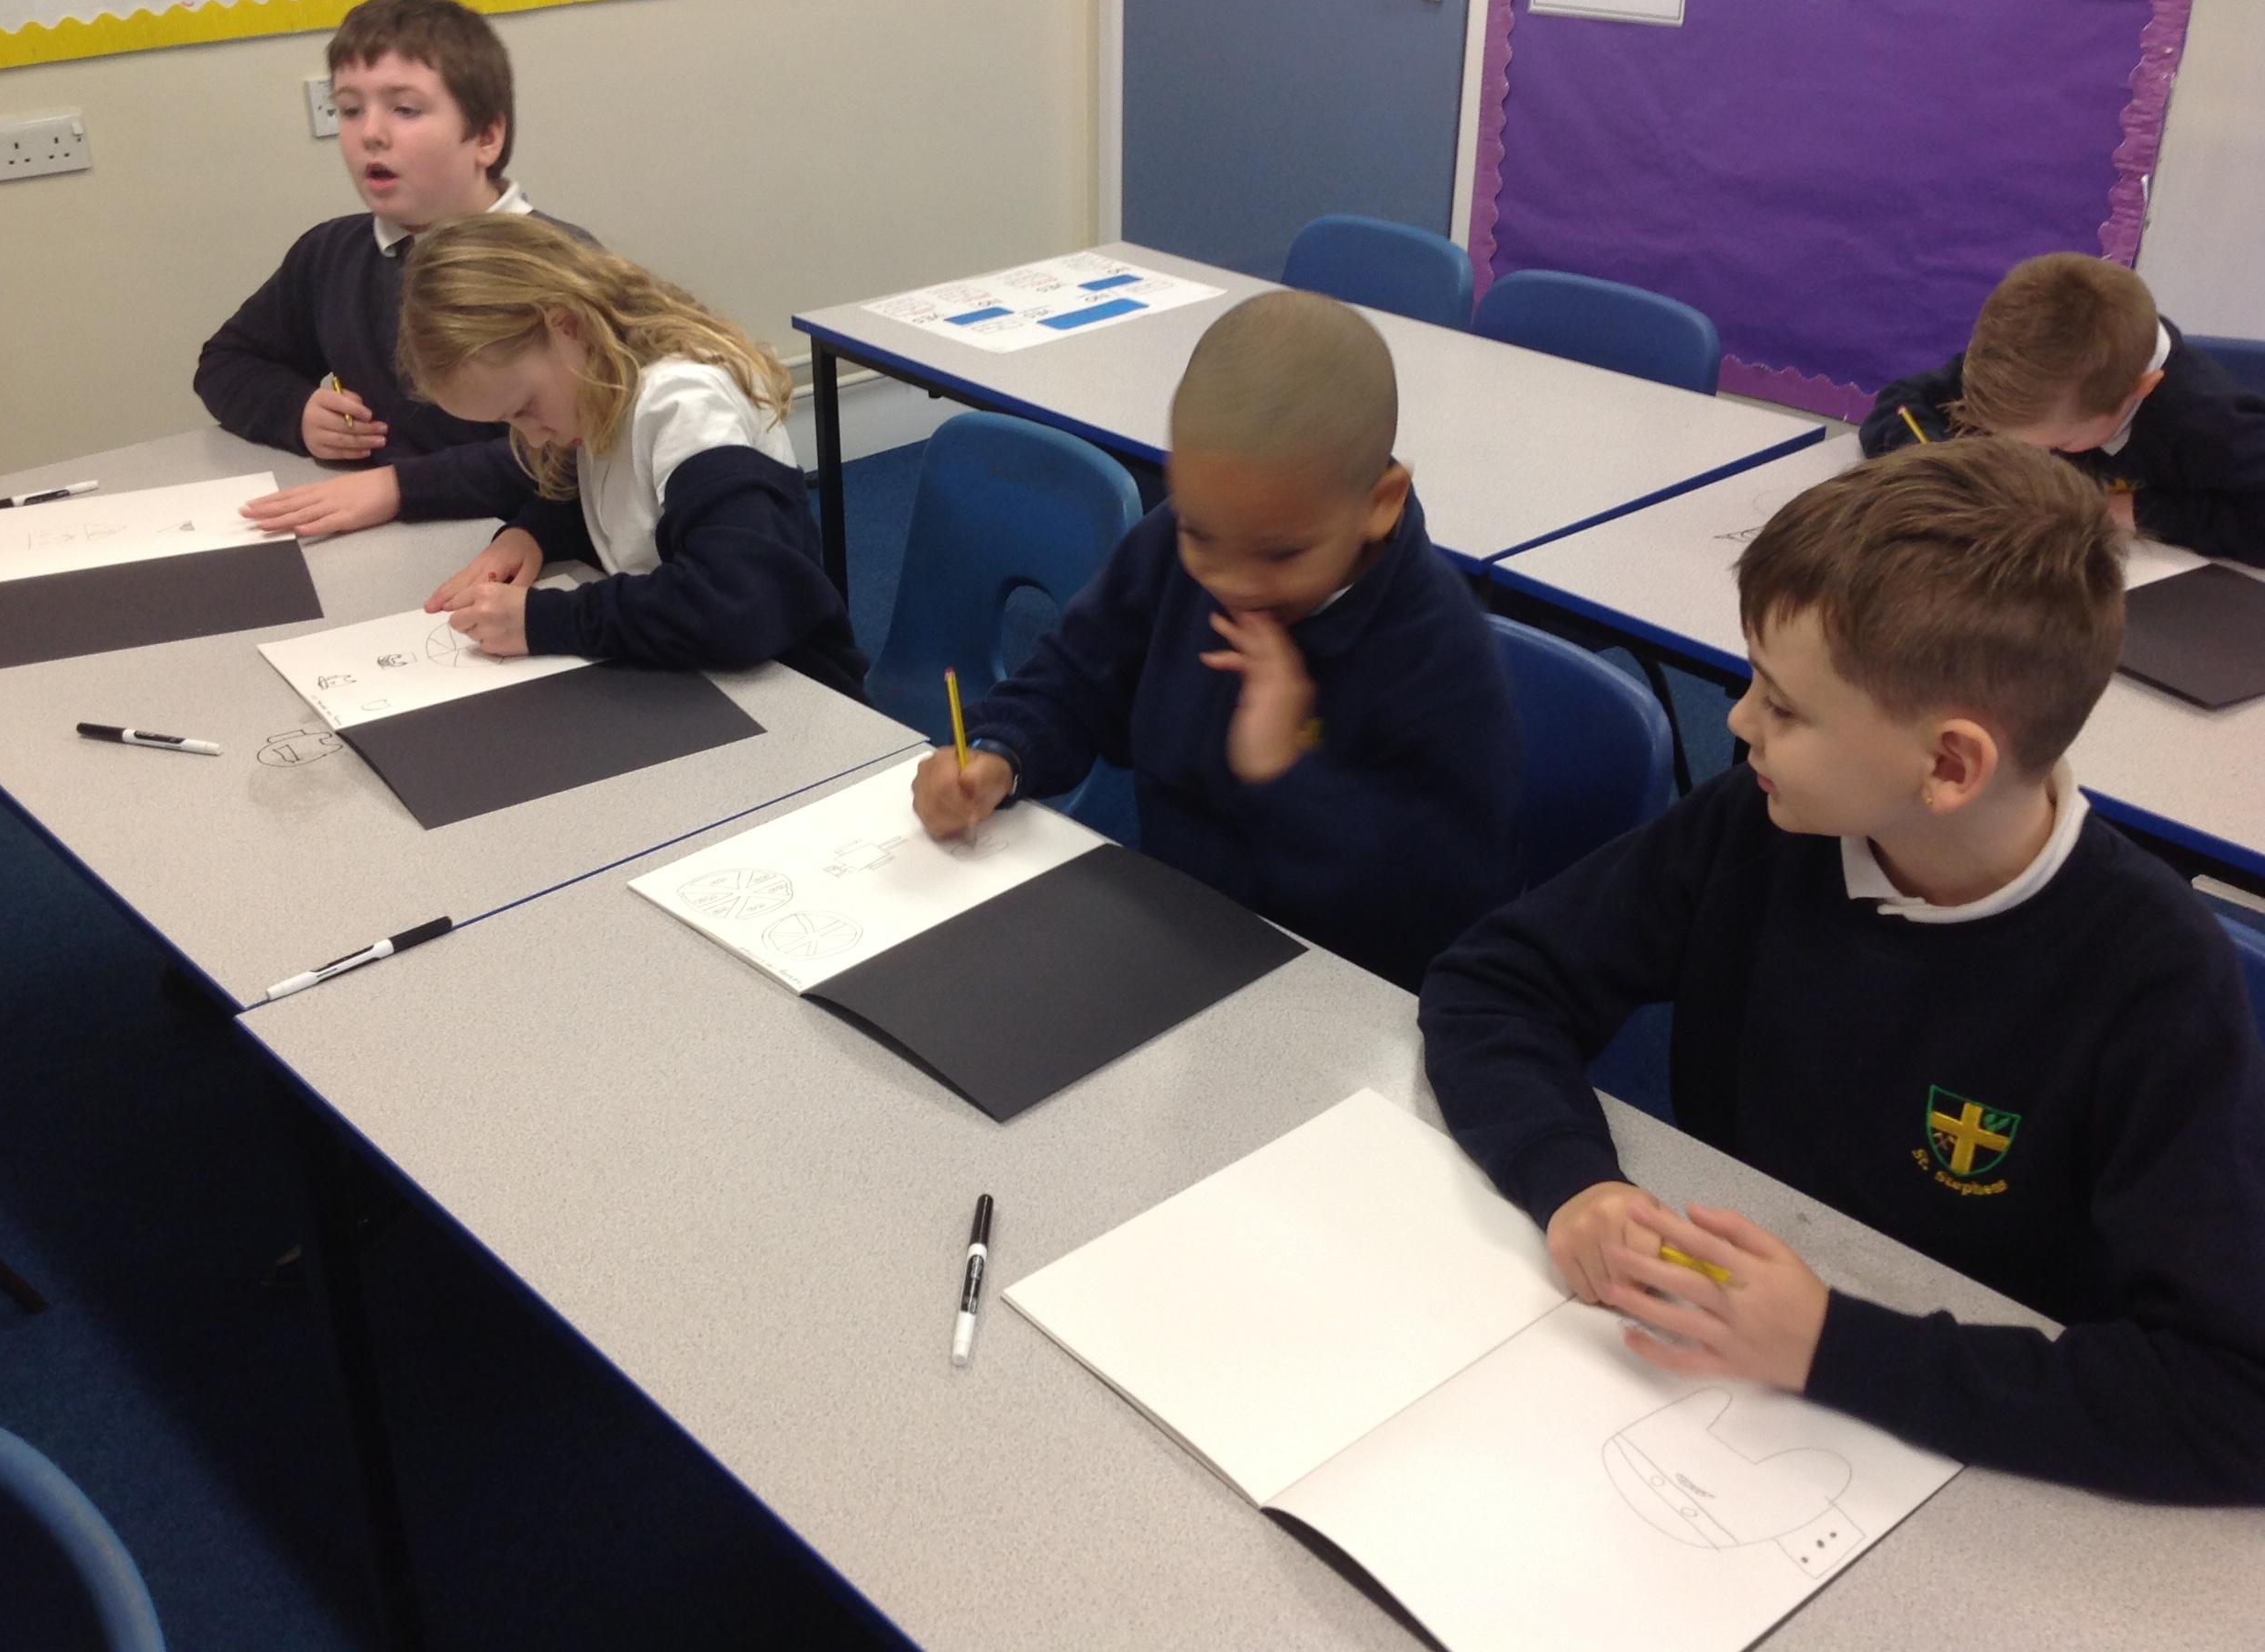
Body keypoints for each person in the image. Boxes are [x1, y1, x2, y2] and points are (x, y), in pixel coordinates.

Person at [1421, 437, 2265, 1502]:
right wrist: (1572, 1180)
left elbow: (2233, 1399)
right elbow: (1494, 982)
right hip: (1713, 1381)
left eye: (1783, 705)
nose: (1737, 722)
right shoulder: (1763, 823)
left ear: (1948, 765)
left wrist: (1831, 1346)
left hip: (1959, 1462)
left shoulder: (2155, 983)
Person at [914, 289, 1519, 990]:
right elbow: (1077, 678)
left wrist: (1286, 770)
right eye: (1201, 534)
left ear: (1379, 504)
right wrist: (1001, 754)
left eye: (1282, 554)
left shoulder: (1439, 655)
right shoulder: (1173, 549)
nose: (1233, 582)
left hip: (1346, 992)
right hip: (1180, 936)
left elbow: (1444, 903)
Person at [396, 212, 864, 695]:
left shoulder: (684, 404)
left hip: (793, 688)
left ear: (568, 326)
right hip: (696, 680)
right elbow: (632, 510)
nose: (533, 439)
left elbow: (738, 603)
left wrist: (546, 621)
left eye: (525, 408)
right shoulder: (602, 389)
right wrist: (533, 533)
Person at [195, 0, 590, 538]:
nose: (370, 133)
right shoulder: (331, 254)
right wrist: (297, 412)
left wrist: (398, 488)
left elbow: (585, 451)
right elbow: (226, 363)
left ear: (485, 136)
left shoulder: (563, 267)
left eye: (405, 109)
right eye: (350, 110)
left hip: (527, 543)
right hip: (382, 538)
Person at [1860, 252, 2265, 564]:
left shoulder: (2204, 421)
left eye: (2062, 444)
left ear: (2140, 390)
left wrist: (2130, 511)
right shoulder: (2028, 359)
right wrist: (1938, 469)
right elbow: (1901, 402)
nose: (2037, 456)